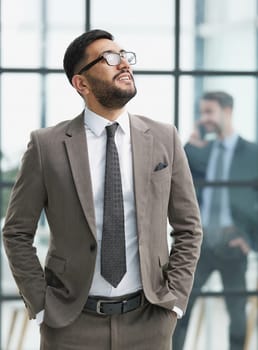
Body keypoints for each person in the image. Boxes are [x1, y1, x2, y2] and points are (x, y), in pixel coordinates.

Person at [2, 29, 202, 350]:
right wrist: (40, 304)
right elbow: (16, 232)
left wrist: (174, 298)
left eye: (125, 56)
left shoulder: (164, 138)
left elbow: (189, 228)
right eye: (110, 58)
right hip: (70, 324)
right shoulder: (47, 146)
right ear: (81, 83)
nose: (124, 63)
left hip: (149, 321)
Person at [173, 91, 258, 350]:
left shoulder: (252, 153)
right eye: (202, 113)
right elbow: (178, 178)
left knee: (237, 317)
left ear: (227, 111)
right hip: (201, 245)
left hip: (233, 245)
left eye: (209, 112)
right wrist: (191, 144)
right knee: (180, 311)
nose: (205, 119)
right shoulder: (201, 151)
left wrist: (251, 241)